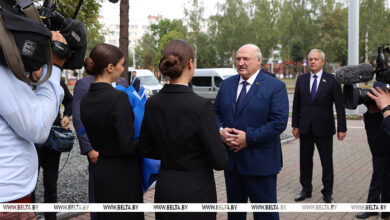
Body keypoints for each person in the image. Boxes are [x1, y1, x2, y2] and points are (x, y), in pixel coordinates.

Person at [139, 39, 228, 220]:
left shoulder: (152, 103)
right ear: (190, 64)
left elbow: (146, 147)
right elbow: (219, 161)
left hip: (166, 188)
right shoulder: (201, 106)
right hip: (197, 190)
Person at [213, 44, 289, 220]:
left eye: (246, 59)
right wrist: (220, 131)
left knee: (265, 215)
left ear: (259, 61)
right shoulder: (227, 85)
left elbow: (278, 123)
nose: (241, 63)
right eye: (238, 59)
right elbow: (215, 111)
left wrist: (248, 138)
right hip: (232, 164)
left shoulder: (275, 86)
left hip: (261, 165)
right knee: (235, 214)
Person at [0, 31, 67, 219]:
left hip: (11, 196)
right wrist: (52, 69)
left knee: (50, 182)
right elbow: (37, 127)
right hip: (8, 200)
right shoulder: (3, 75)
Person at [80, 43, 143, 220]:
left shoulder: (85, 99)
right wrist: (146, 137)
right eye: (121, 64)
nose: (123, 69)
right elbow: (127, 146)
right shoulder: (118, 98)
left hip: (101, 171)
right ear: (109, 67)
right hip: (123, 175)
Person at [292, 49, 347, 203]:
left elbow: (340, 106)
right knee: (305, 160)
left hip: (324, 128)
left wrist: (342, 128)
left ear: (323, 62)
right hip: (305, 128)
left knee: (326, 162)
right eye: (310, 59)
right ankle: (306, 189)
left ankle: (327, 192)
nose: (313, 62)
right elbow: (296, 104)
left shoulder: (332, 80)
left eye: (316, 59)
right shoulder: (301, 79)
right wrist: (295, 125)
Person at [30, 69, 73, 220]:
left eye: (44, 67)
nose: (40, 71)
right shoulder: (23, 83)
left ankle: (51, 216)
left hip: (52, 140)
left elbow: (70, 100)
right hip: (30, 143)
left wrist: (66, 115)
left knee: (51, 183)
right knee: (30, 185)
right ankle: (31, 215)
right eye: (37, 68)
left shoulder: (56, 82)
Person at [367, 86, 390, 220]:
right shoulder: (381, 86)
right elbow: (376, 149)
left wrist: (386, 110)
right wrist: (373, 111)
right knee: (379, 172)